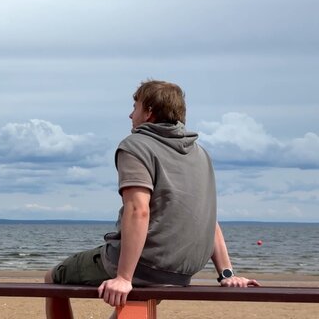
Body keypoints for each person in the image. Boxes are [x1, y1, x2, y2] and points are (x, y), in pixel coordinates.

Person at [45, 80, 259, 318]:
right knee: (137, 300)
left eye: (135, 106)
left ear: (149, 112)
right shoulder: (200, 154)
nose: (130, 114)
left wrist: (124, 277)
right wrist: (227, 274)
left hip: (145, 265)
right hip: (179, 272)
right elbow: (206, 218)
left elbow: (138, 210)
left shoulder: (136, 145)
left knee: (53, 278)